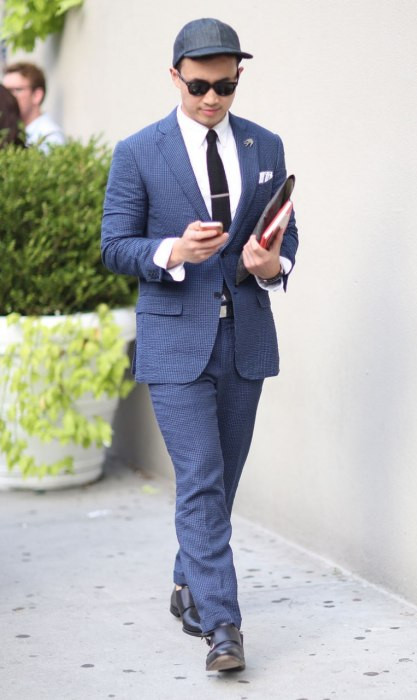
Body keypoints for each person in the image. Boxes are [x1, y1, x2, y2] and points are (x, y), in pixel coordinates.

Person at [101, 17, 298, 673]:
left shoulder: (265, 145)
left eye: (225, 86)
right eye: (198, 86)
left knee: (221, 482)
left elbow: (285, 236)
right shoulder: (138, 152)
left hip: (245, 340)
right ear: (175, 77)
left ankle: (189, 583)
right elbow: (114, 246)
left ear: (238, 78)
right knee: (202, 481)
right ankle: (223, 627)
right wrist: (173, 251)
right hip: (174, 341)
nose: (212, 98)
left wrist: (271, 264)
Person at [2, 62, 65, 151]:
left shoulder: (50, 137)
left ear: (36, 96)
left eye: (15, 90)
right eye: (4, 91)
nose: (6, 96)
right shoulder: (9, 131)